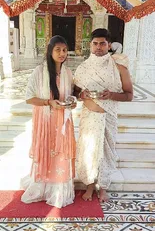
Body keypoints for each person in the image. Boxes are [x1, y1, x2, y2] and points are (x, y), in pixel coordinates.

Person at [74, 28, 133, 202]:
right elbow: (74, 92)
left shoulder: (119, 68)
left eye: (102, 43)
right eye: (95, 43)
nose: (98, 47)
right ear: (90, 46)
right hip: (89, 117)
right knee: (89, 150)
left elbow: (129, 95)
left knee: (106, 152)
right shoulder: (82, 68)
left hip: (108, 117)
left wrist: (112, 95)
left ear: (109, 46)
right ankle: (89, 186)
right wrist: (80, 95)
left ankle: (103, 188)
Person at [21, 35, 76, 208]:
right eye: (58, 50)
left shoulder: (67, 72)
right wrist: (48, 102)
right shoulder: (39, 72)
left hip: (62, 123)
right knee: (46, 151)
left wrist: (72, 101)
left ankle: (58, 189)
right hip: (45, 123)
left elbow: (70, 94)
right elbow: (29, 98)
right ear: (50, 51)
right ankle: (41, 187)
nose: (62, 53)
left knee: (61, 154)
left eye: (65, 50)